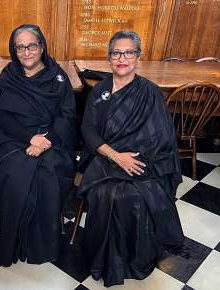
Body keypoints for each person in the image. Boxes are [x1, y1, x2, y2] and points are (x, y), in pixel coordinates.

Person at [78, 31, 184, 287]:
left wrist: (132, 160)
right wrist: (116, 156)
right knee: (105, 194)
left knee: (132, 195)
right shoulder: (100, 90)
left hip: (142, 162)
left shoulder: (151, 93)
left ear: (138, 57)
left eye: (128, 53)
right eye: (116, 53)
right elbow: (88, 130)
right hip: (105, 158)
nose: (122, 58)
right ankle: (102, 258)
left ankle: (135, 258)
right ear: (109, 58)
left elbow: (161, 138)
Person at [0, 24, 78, 266]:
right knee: (13, 173)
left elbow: (67, 116)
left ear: (42, 47)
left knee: (47, 172)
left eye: (32, 46)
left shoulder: (58, 77)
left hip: (53, 139)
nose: (27, 52)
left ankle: (42, 245)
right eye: (20, 47)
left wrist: (44, 142)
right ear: (14, 49)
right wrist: (30, 138)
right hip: (14, 138)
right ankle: (13, 241)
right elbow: (1, 115)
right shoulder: (8, 75)